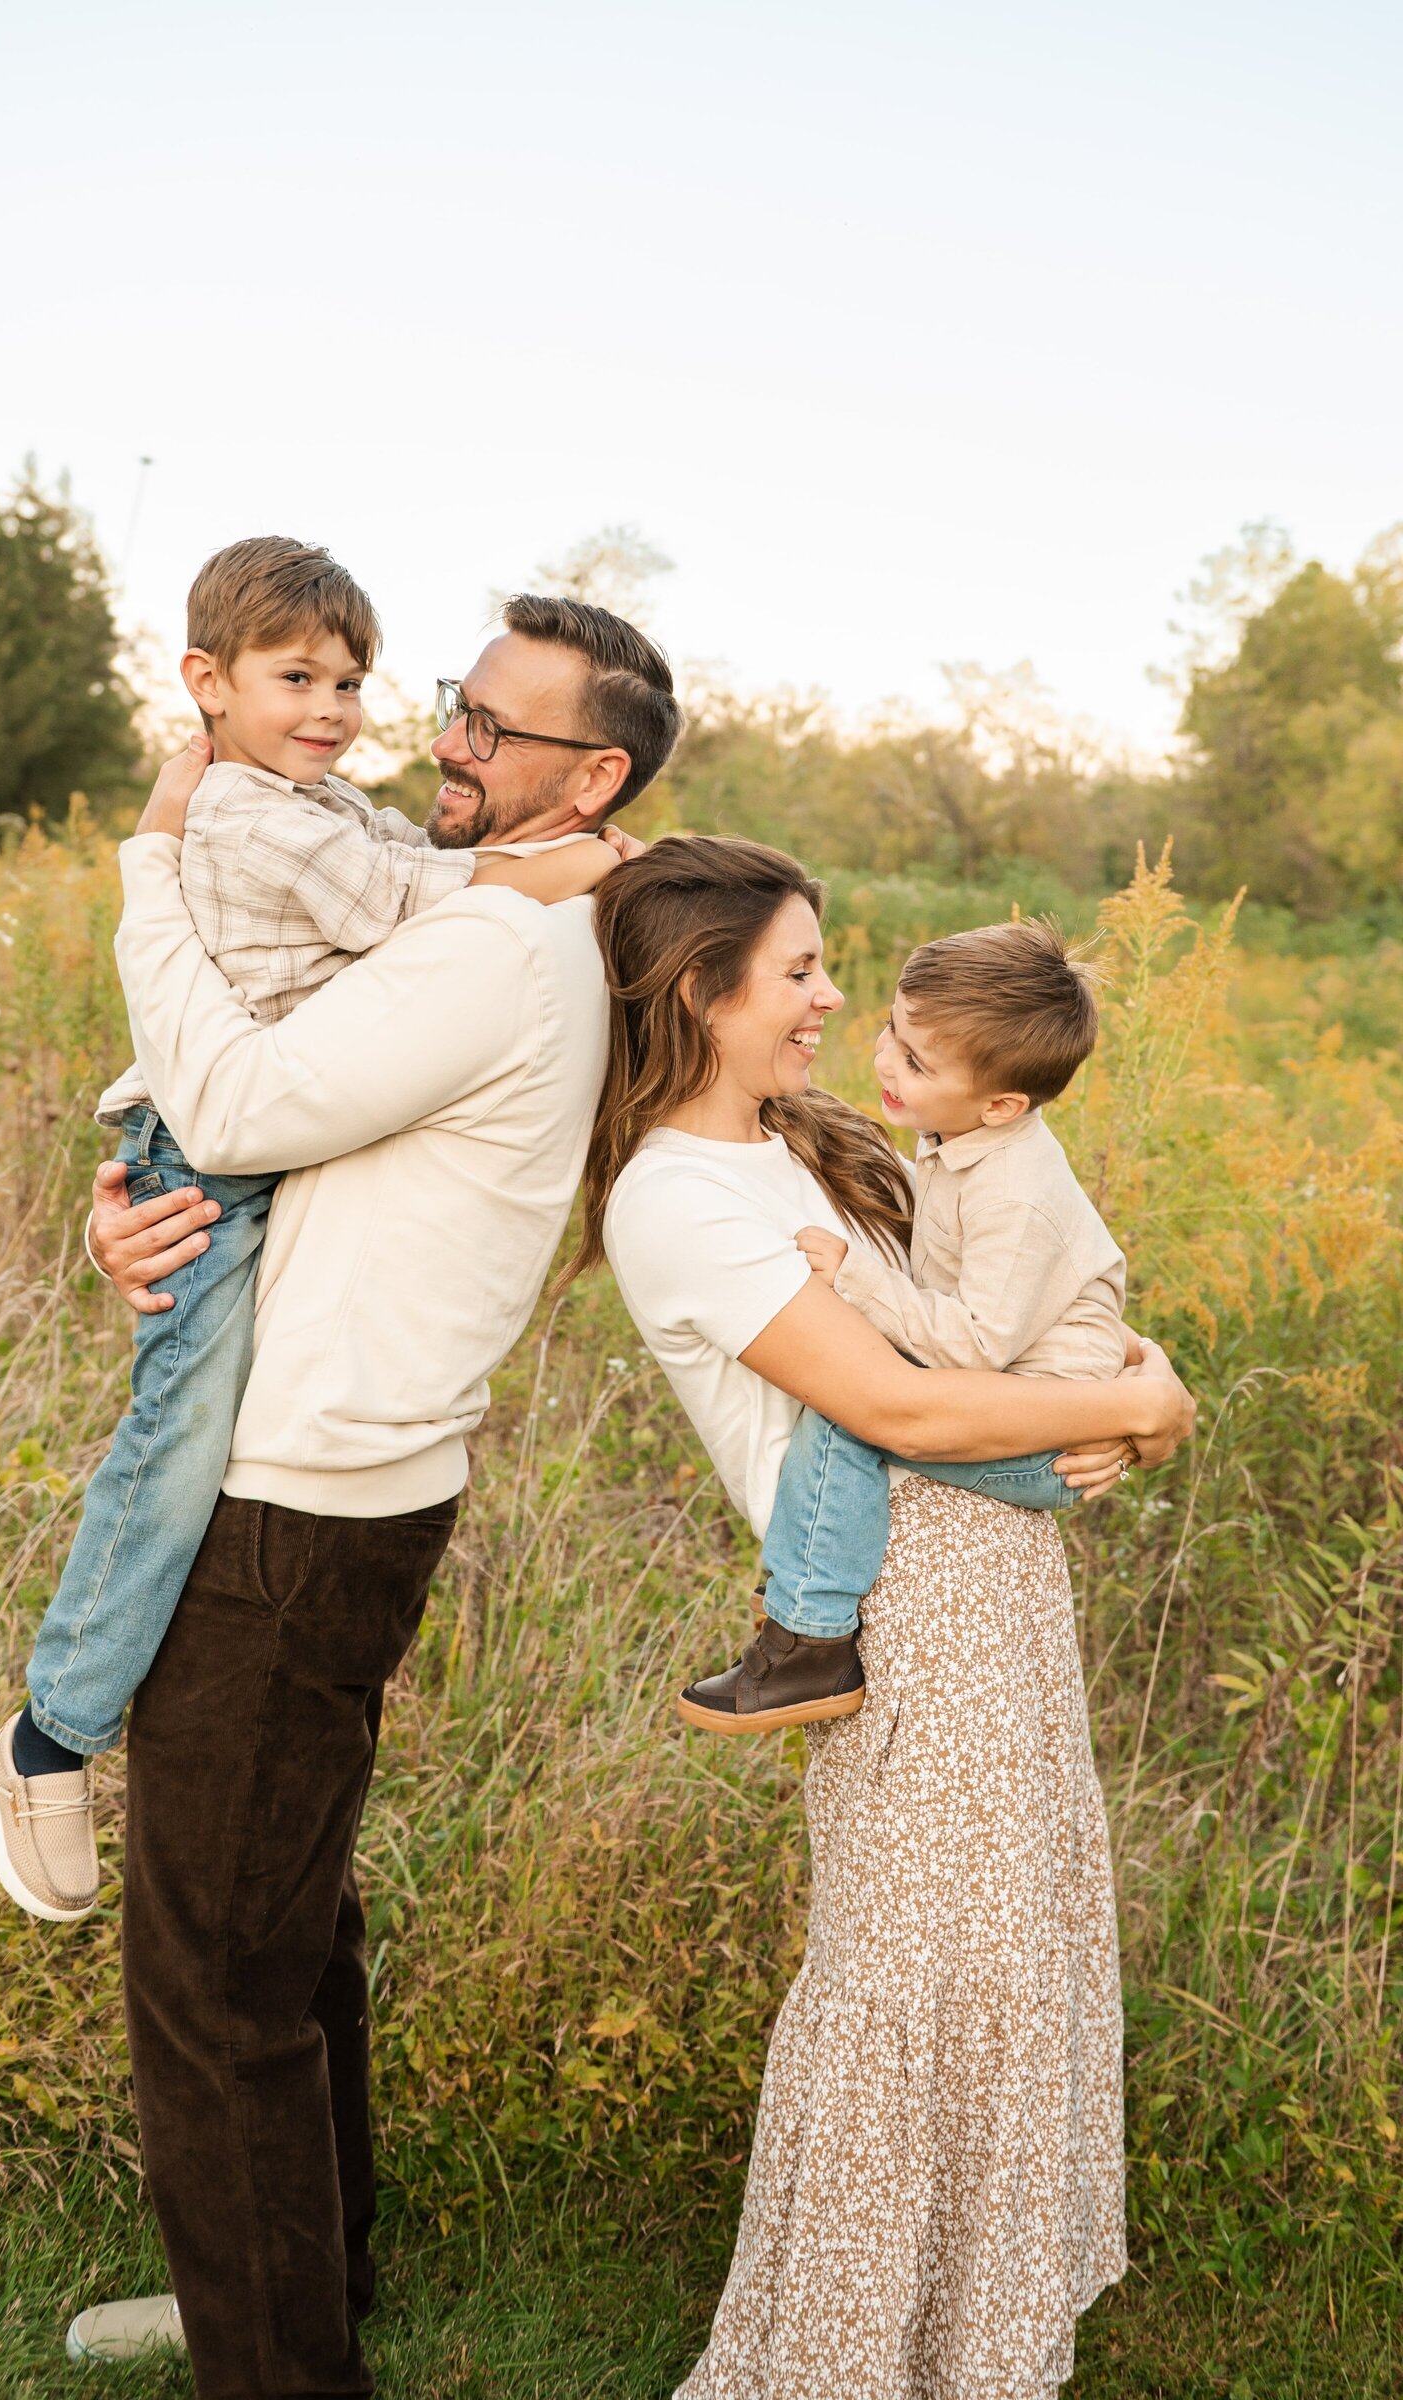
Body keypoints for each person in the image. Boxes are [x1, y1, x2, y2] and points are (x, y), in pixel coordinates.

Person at [60, 598, 683, 2395]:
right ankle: (284, 2285)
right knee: (287, 1924)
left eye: (492, 727)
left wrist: (150, 859)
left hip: (296, 1503)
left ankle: (277, 2362)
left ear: (598, 772)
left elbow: (240, 1103)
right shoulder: (481, 911)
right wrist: (124, 1206)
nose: (445, 744)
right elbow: (240, 1130)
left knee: (214, 1980)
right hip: (338, 1474)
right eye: (455, 708)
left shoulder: (492, 945)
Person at [575, 835, 1194, 2397]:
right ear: (703, 994)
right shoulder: (678, 1196)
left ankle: (974, 2348)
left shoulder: (805, 1138)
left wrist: (1147, 1388)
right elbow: (902, 1413)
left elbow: (1012, 1297)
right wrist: (1131, 1401)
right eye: (796, 971)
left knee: (1005, 1960)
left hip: (996, 1584)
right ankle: (842, 2356)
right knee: (906, 1977)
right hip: (905, 1600)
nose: (829, 995)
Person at [0, 540, 631, 1927]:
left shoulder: (340, 828)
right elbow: (391, 915)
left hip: (310, 1408)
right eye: (298, 678)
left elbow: (374, 921)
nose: (341, 709)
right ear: (207, 682)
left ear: (593, 771)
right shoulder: (265, 820)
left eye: (354, 680)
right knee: (175, 1432)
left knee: (250, 1936)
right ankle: (50, 1734)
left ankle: (53, 1732)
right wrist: (581, 869)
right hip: (208, 1164)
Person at [677, 915, 1130, 1734]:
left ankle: (807, 1633)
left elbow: (979, 1343)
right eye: (894, 1027)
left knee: (854, 1415)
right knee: (860, 1395)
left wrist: (858, 1278)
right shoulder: (959, 1133)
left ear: (1002, 1103)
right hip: (1036, 1406)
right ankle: (808, 1584)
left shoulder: (1015, 1190)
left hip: (1046, 1437)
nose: (886, 1058)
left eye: (917, 1061)